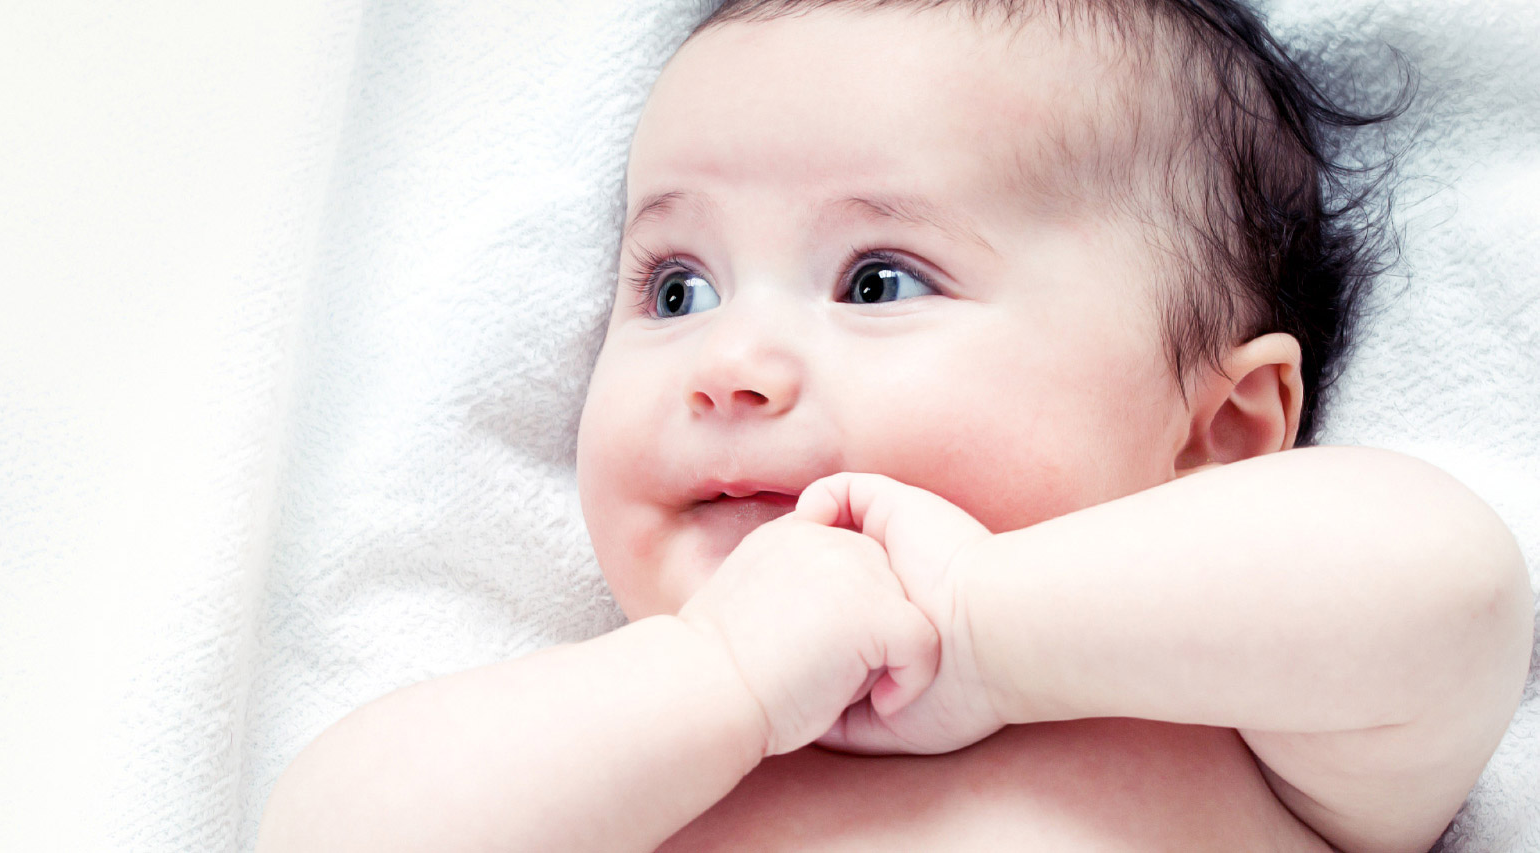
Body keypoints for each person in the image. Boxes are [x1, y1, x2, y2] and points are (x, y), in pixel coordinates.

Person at [256, 1, 1534, 850]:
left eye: (877, 281)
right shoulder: (623, 745)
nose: (728, 362)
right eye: (675, 288)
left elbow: (1452, 590)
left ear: (1224, 430)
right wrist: (720, 685)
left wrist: (985, 627)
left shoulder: (1241, 722)